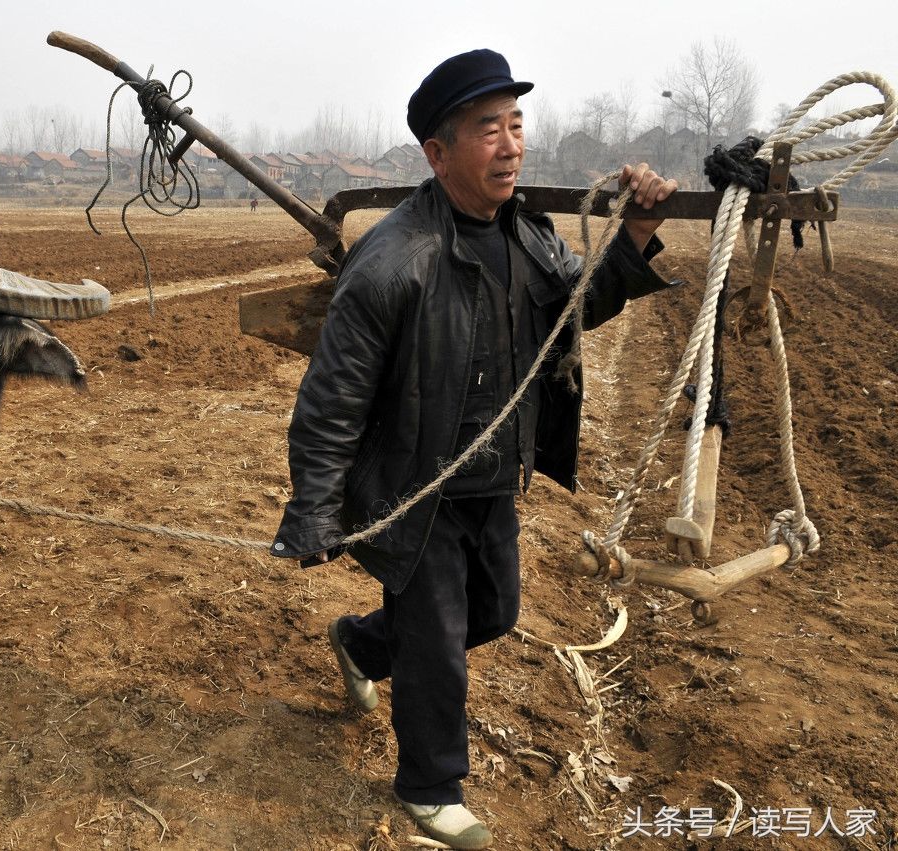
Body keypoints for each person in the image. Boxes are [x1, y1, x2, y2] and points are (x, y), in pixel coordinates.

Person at [269, 49, 678, 850]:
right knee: (435, 642)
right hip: (414, 487)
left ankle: (360, 642)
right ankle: (430, 787)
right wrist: (313, 510)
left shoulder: (528, 235)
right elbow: (332, 398)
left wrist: (635, 233)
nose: (511, 144)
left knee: (494, 611)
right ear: (438, 153)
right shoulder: (394, 259)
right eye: (488, 129)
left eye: (517, 124)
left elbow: (577, 308)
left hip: (492, 476)